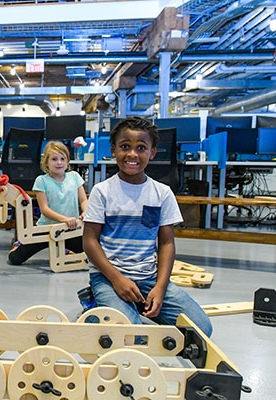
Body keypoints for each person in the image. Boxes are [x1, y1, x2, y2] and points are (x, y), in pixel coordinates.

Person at [82, 117, 212, 336]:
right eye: (125, 147)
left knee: (201, 328)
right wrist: (117, 279)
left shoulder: (162, 193)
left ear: (152, 152)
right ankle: (101, 299)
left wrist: (160, 287)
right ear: (113, 150)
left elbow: (167, 243)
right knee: (132, 335)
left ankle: (136, 304)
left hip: (148, 277)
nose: (132, 154)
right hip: (109, 276)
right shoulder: (102, 191)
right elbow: (89, 241)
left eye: (141, 148)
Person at [8, 141, 88, 265]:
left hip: (70, 229)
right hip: (46, 229)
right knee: (15, 259)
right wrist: (64, 219)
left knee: (91, 253)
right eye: (54, 159)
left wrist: (85, 212)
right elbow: (44, 209)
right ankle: (18, 245)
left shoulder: (75, 177)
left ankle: (67, 249)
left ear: (68, 161)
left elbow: (83, 200)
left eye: (63, 158)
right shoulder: (41, 181)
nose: (59, 162)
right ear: (46, 162)